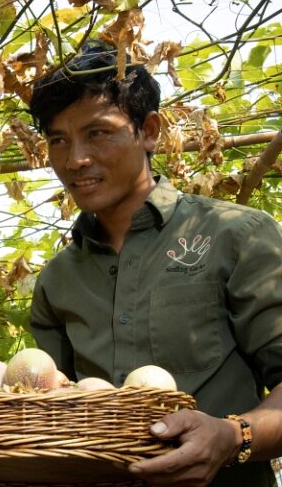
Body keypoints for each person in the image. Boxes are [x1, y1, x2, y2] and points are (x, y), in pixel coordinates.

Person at [28, 40, 282, 486]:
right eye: (58, 140)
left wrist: (232, 435)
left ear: (149, 130)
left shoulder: (235, 236)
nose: (75, 159)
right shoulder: (57, 279)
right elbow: (49, 417)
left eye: (98, 132)